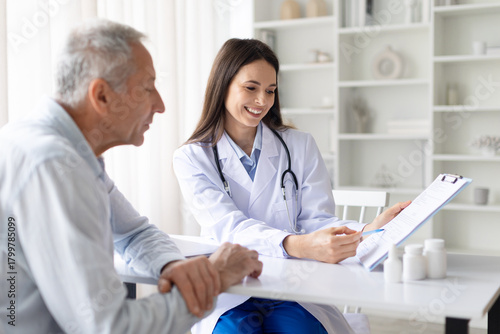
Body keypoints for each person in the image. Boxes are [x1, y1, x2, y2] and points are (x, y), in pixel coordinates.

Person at [0, 20, 263, 334]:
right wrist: (215, 279)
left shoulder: (64, 148)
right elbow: (110, 328)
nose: (161, 105)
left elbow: (134, 232)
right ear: (102, 96)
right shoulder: (54, 165)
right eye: (147, 87)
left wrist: (175, 266)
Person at [173, 38, 411, 333]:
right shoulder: (192, 157)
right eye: (251, 88)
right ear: (222, 85)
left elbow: (317, 220)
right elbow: (229, 229)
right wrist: (295, 244)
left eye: (270, 90)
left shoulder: (299, 145)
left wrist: (369, 230)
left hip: (292, 286)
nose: (262, 100)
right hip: (230, 289)